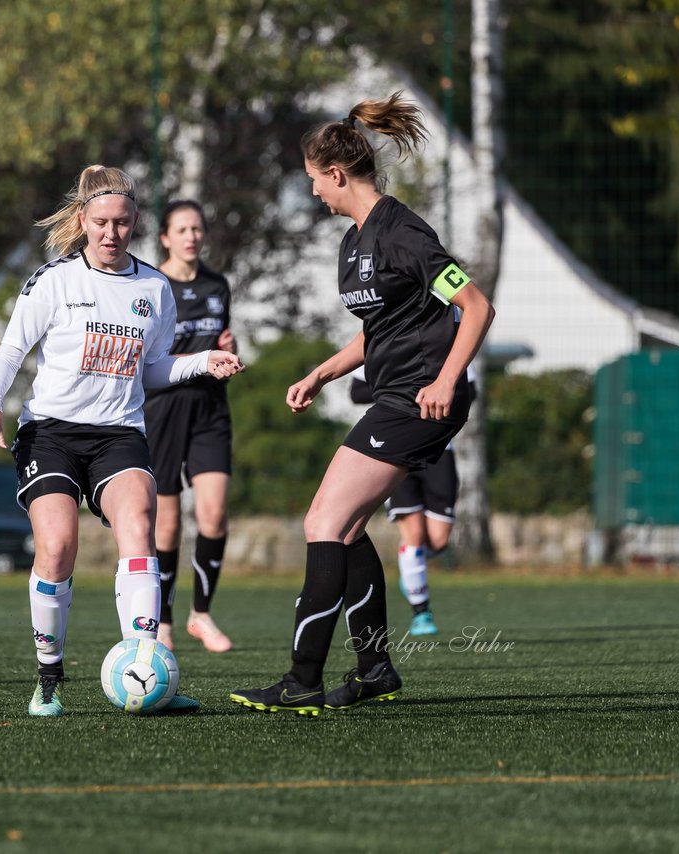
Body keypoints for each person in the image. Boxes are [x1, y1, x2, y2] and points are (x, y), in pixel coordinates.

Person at [230, 92, 494, 715]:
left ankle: (302, 680)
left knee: (322, 524)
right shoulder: (354, 242)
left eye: (314, 181)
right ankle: (374, 669)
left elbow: (475, 305)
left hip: (418, 402)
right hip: (393, 397)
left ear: (337, 174)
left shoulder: (404, 232)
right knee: (343, 529)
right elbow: (379, 328)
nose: (313, 193)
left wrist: (446, 379)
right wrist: (322, 372)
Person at [0, 165, 244, 718]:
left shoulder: (153, 287)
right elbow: (9, 354)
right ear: (83, 220)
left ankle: (147, 672)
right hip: (50, 432)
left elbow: (153, 370)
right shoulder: (53, 281)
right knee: (56, 547)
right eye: (100, 222)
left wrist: (201, 363)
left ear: (136, 223)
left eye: (122, 223)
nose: (110, 233)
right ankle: (49, 678)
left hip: (120, 434)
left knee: (139, 528)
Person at [144, 200, 238, 654]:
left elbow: (221, 337)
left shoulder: (218, 284)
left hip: (210, 410)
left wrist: (229, 347)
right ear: (165, 237)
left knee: (215, 514)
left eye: (197, 228)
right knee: (166, 527)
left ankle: (201, 614)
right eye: (182, 229)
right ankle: (162, 622)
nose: (191, 236)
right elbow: (148, 357)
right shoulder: (151, 285)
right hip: (162, 410)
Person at [351, 365, 477, 636]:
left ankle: (411, 567)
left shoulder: (453, 342)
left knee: (439, 541)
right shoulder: (384, 342)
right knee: (414, 535)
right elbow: (357, 391)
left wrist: (442, 386)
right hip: (395, 446)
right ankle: (422, 613)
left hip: (440, 449)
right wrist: (400, 386)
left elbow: (471, 390)